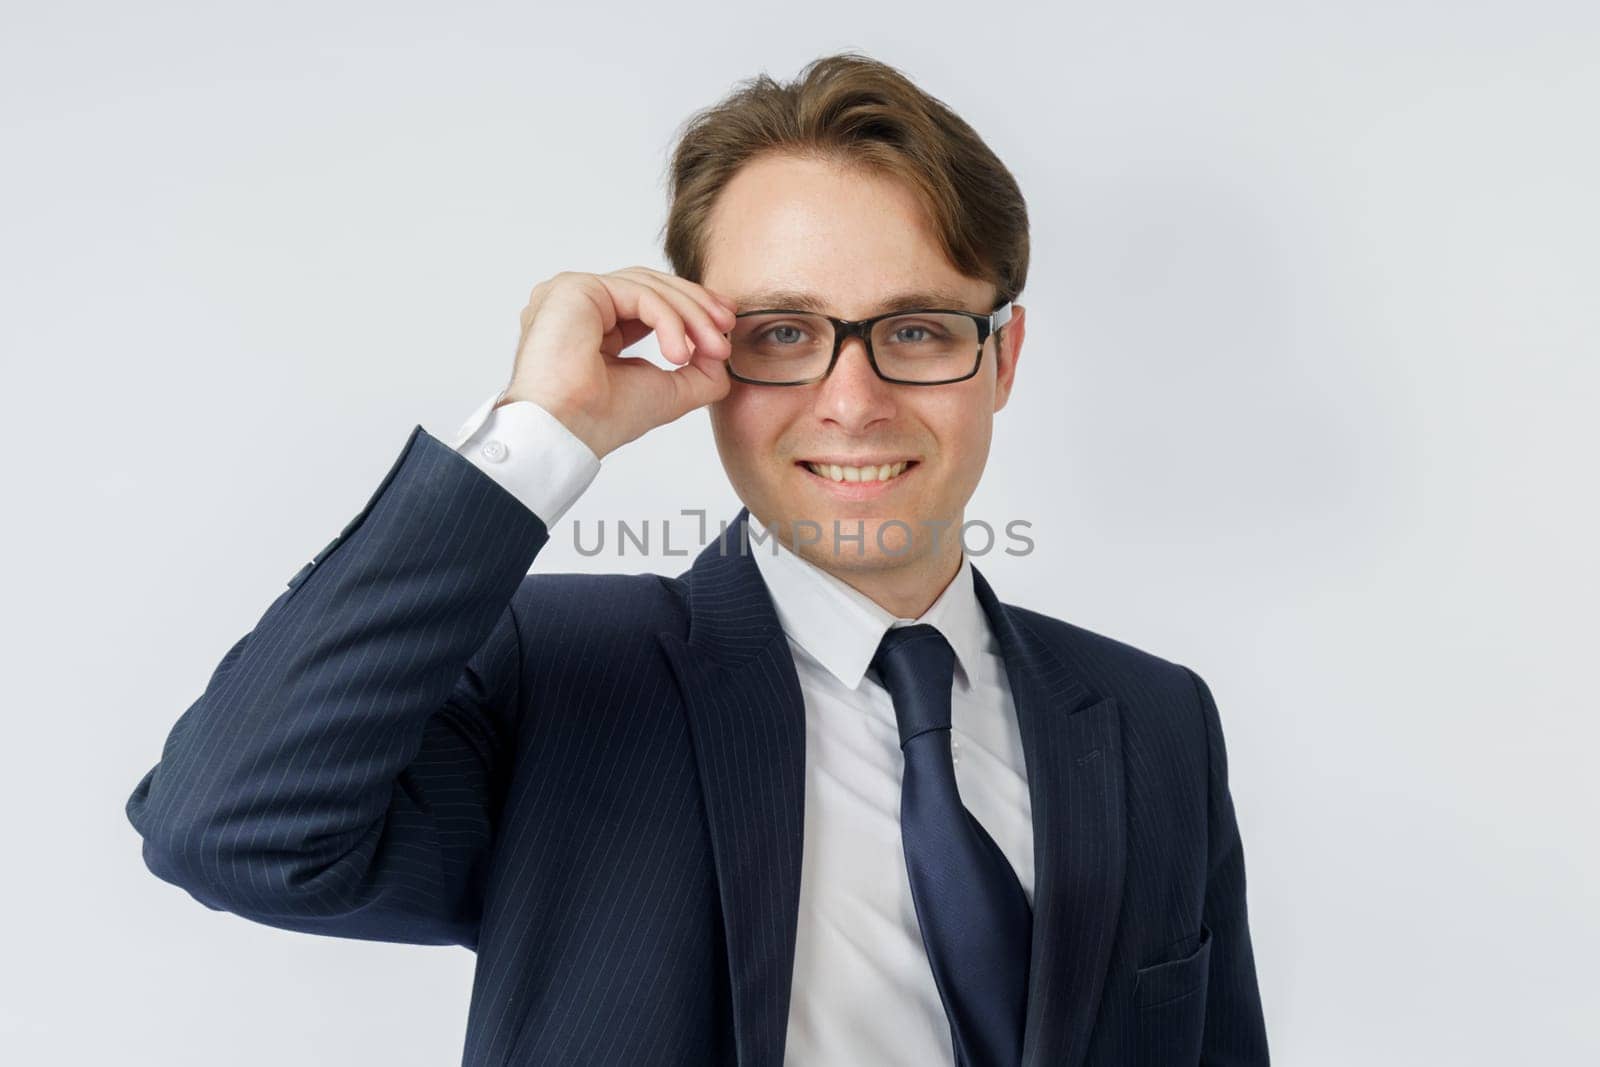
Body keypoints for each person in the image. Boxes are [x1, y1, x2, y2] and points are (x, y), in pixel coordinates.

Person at [125, 51, 1268, 1067]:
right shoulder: (558, 674)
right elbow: (232, 830)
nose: (852, 401)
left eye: (915, 329)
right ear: (701, 351)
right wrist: (546, 422)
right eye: (782, 334)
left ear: (1001, 355)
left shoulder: (1154, 717)